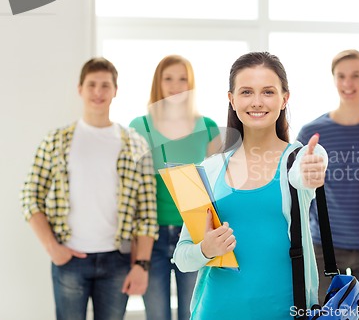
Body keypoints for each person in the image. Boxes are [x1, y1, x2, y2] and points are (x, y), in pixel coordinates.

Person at [173, 51, 328, 320]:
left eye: (268, 92)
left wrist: (312, 172)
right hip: (214, 312)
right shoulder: (209, 168)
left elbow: (308, 173)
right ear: (231, 99)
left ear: (284, 99)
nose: (257, 102)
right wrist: (205, 250)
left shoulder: (300, 159)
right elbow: (182, 257)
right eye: (246, 92)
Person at [20, 57, 158, 320]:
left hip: (117, 260)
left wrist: (142, 265)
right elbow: (29, 195)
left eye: (105, 85)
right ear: (80, 89)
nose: (98, 92)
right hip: (69, 259)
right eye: (92, 84)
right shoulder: (57, 140)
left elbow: (147, 212)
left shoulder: (135, 144)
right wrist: (52, 247)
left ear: (115, 91)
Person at [129, 55, 221, 320]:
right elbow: (133, 190)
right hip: (152, 239)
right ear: (158, 83)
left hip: (194, 234)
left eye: (183, 79)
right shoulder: (140, 126)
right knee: (157, 315)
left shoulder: (207, 127)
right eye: (168, 79)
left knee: (193, 314)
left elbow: (218, 184)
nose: (176, 85)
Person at [296, 49, 359, 319]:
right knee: (325, 316)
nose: (348, 83)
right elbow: (298, 190)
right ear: (334, 80)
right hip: (324, 247)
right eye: (342, 76)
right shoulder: (312, 132)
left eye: (356, 75)